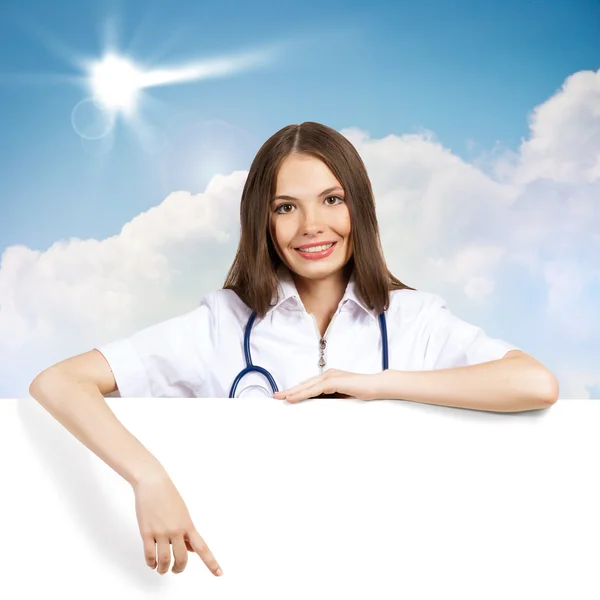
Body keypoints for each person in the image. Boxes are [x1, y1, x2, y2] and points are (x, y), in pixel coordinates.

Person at [29, 121, 559, 578]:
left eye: (332, 200)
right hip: (257, 571)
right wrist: (148, 477)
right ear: (263, 219)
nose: (312, 226)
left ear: (360, 208)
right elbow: (58, 382)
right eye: (287, 207)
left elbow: (535, 383)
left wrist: (373, 385)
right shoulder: (220, 323)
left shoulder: (414, 319)